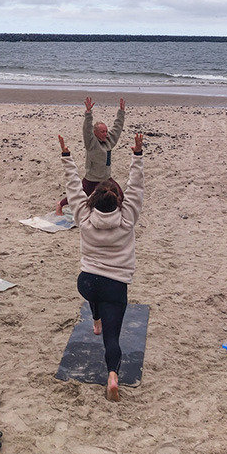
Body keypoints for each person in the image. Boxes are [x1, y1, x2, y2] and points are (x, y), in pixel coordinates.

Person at [59, 130, 144, 402]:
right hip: (114, 286)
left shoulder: (83, 216)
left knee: (92, 294)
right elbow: (136, 186)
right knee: (112, 338)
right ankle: (112, 376)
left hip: (87, 282)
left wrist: (66, 156)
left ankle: (94, 319)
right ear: (119, 200)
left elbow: (73, 186)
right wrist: (137, 155)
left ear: (93, 199)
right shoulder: (128, 217)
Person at [56, 97, 126, 216]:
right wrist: (88, 113)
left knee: (120, 195)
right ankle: (60, 205)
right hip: (92, 179)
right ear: (95, 133)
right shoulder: (91, 143)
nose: (105, 134)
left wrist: (121, 112)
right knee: (77, 195)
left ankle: (113, 212)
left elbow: (117, 128)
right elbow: (87, 130)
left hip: (106, 178)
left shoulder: (109, 141)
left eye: (106, 131)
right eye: (102, 132)